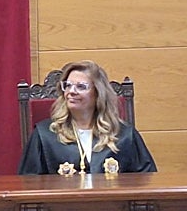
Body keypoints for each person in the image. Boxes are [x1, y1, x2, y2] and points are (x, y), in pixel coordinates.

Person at [18, 61, 157, 175]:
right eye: (67, 85)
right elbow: (29, 184)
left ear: (98, 93)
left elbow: (146, 180)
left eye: (81, 87)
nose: (71, 92)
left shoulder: (124, 135)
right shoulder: (44, 135)